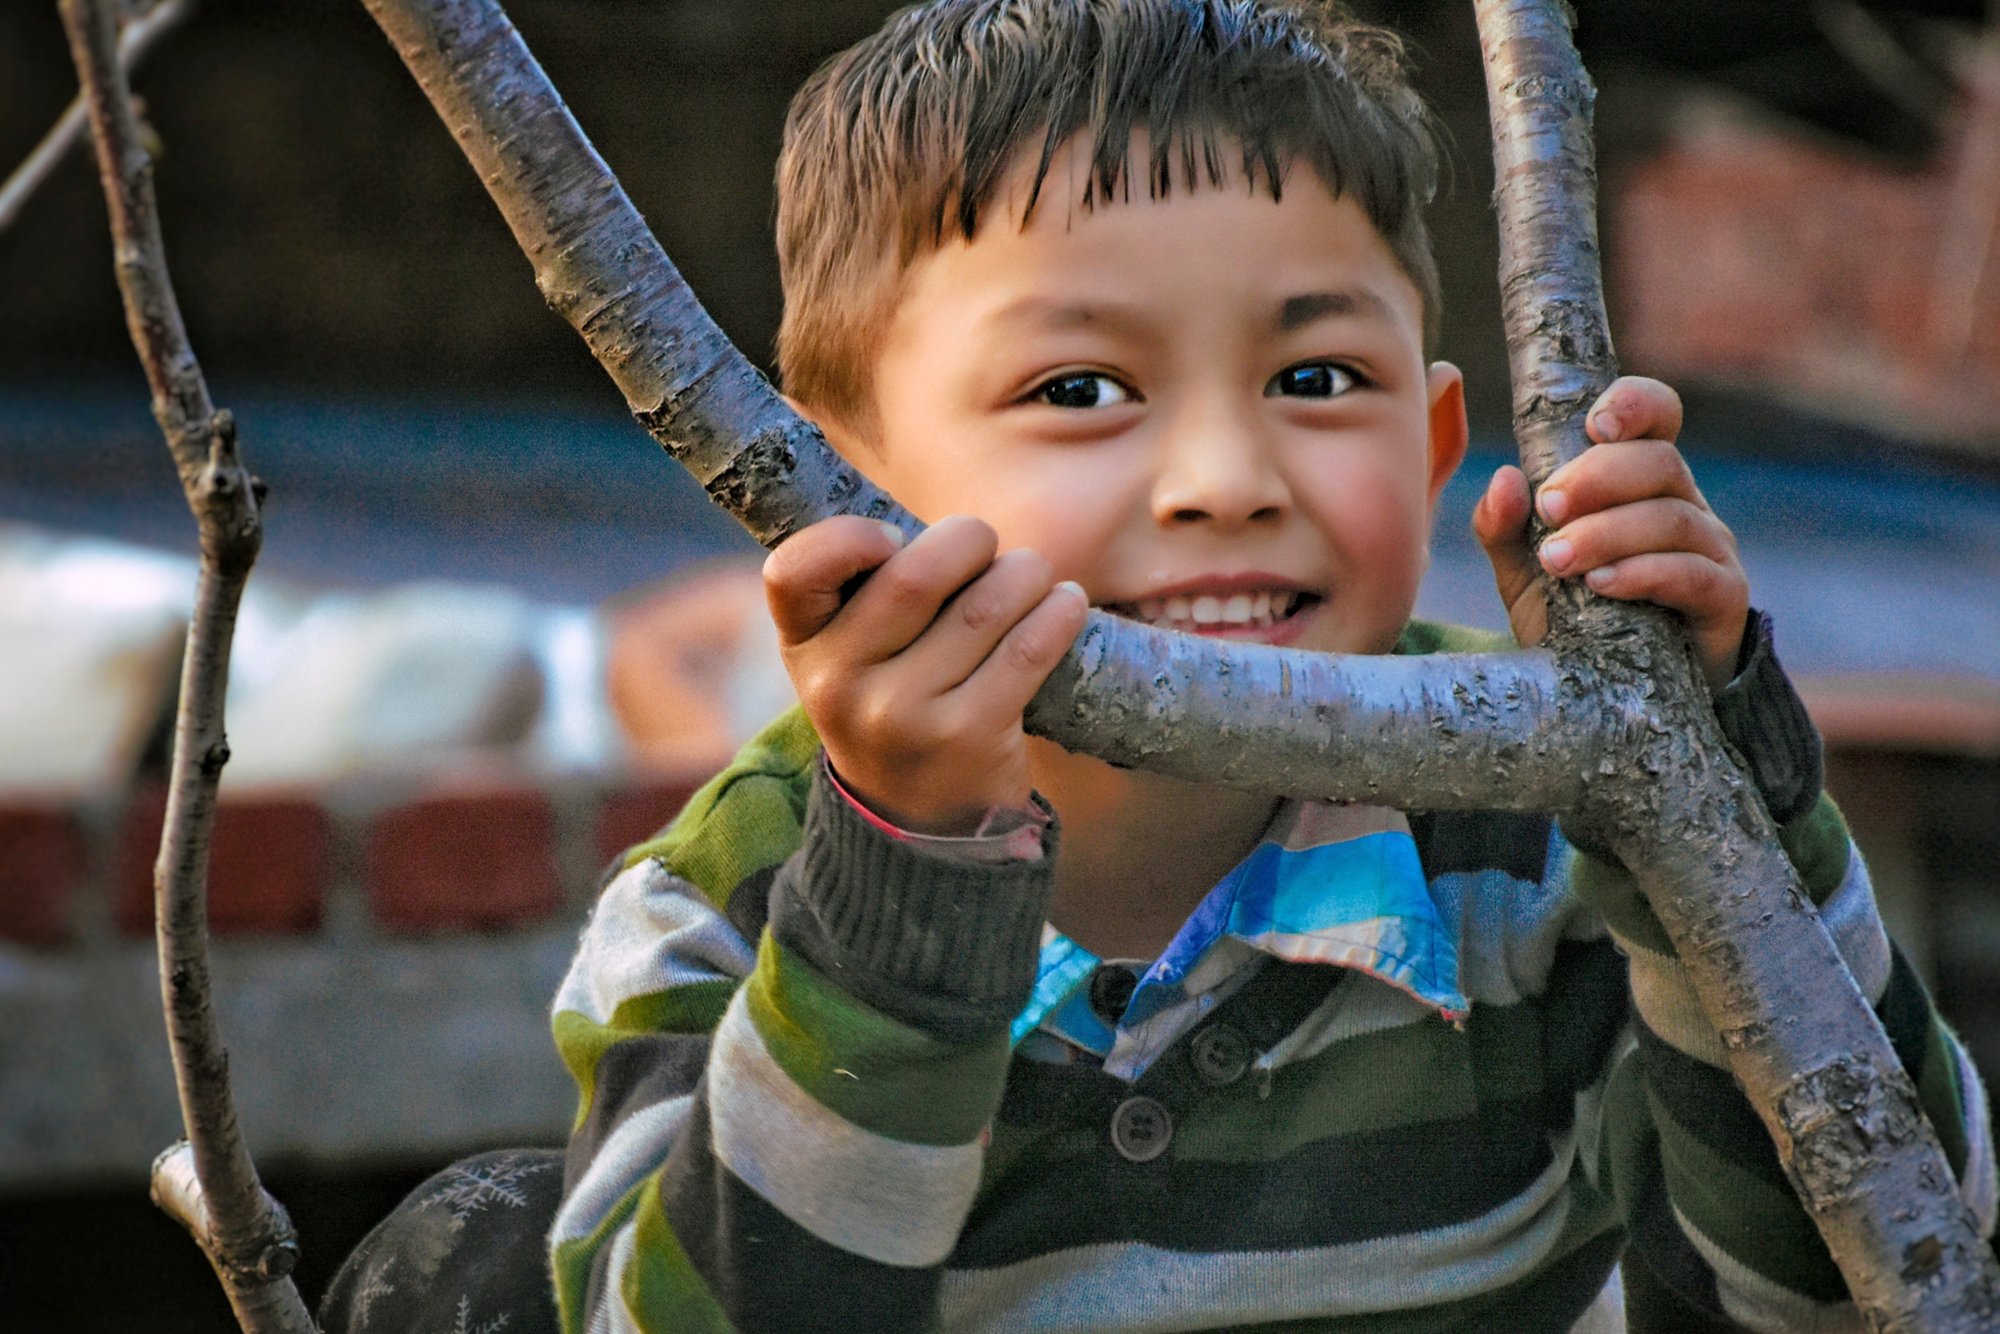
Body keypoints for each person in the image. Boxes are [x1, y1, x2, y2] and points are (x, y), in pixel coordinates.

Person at [540, 3, 1995, 1331]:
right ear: (831, 485)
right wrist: (902, 902)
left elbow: (1867, 1281)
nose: (1227, 478)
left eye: (1313, 380)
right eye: (1080, 390)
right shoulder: (719, 908)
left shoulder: (1532, 848)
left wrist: (1712, 790)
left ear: (1432, 455)